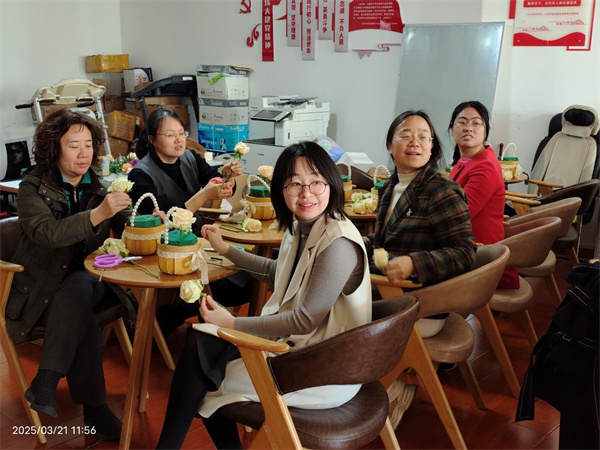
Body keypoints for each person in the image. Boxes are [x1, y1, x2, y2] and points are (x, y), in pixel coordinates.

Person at [155, 141, 372, 449]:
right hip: (298, 349)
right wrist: (226, 250)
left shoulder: (338, 243)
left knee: (203, 370)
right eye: (295, 184)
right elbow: (278, 272)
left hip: (323, 369)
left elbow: (304, 320)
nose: (306, 193)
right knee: (201, 347)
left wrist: (232, 323)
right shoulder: (302, 227)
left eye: (316, 182)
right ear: (281, 190)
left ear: (331, 184)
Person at [6, 109, 132, 440]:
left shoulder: (99, 185)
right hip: (40, 289)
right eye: (73, 145)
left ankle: (47, 378)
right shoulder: (32, 187)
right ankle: (95, 410)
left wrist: (146, 220)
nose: (83, 153)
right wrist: (97, 214)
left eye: (88, 144)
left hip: (92, 282)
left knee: (79, 285)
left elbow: (128, 225)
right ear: (54, 148)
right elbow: (45, 232)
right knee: (81, 315)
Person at [364, 110, 477, 428]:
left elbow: (465, 253)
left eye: (423, 137)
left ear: (432, 147)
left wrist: (414, 263)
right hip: (388, 293)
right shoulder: (390, 186)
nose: (415, 142)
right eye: (406, 135)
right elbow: (382, 242)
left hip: (421, 304)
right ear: (390, 145)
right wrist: (353, 241)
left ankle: (391, 387)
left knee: (330, 309)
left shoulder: (441, 190)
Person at [128, 107, 246, 336]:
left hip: (196, 238)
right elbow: (160, 224)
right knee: (224, 281)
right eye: (170, 135)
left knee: (243, 275)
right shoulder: (139, 175)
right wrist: (202, 195)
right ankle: (193, 322)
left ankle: (183, 313)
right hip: (166, 249)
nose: (179, 140)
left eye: (181, 133)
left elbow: (217, 182)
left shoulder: (190, 158)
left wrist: (227, 177)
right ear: (152, 140)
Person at [448, 100, 519, 288]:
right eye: (462, 122)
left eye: (476, 123)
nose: (468, 128)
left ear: (485, 131)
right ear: (452, 129)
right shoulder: (466, 160)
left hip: (481, 258)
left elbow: (459, 215)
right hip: (464, 247)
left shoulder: (485, 166)